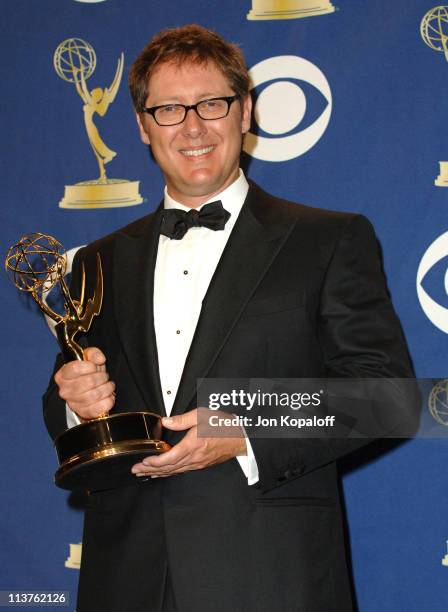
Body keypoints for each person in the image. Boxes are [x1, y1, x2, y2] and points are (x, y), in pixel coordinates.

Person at [43, 24, 416, 612]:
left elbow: (387, 396)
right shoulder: (96, 261)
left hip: (271, 578)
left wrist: (242, 427)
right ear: (142, 125)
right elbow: (67, 409)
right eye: (168, 109)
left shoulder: (328, 239)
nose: (192, 127)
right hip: (127, 580)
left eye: (212, 103)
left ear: (244, 112)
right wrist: (75, 401)